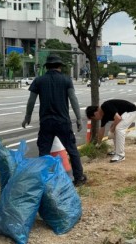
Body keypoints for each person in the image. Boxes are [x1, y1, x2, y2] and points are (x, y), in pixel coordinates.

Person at [21, 54, 87, 186]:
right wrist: (79, 118)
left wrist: (27, 116)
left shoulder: (39, 80)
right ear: (60, 66)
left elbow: (31, 101)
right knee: (72, 150)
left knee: (44, 151)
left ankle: (44, 180)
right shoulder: (66, 80)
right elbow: (73, 99)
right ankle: (79, 178)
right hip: (63, 121)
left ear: (47, 67)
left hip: (46, 122)